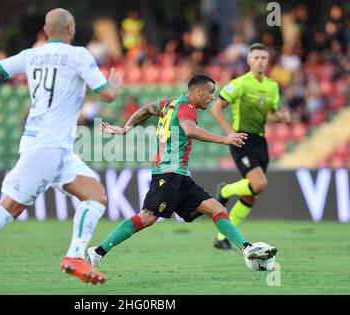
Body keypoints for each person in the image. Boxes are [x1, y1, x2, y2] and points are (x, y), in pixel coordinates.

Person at [0, 8, 123, 294]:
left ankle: (74, 256)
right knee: (11, 207)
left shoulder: (30, 55)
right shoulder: (80, 56)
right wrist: (114, 84)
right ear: (71, 29)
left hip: (58, 148)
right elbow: (107, 95)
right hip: (45, 147)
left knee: (96, 196)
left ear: (47, 31)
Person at [85, 74, 277, 269]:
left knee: (218, 210)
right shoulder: (187, 107)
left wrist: (126, 129)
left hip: (180, 176)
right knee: (147, 217)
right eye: (210, 93)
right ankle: (98, 252)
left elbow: (146, 109)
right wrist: (225, 139)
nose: (212, 97)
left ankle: (247, 249)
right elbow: (190, 130)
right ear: (198, 91)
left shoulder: (169, 103)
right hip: (168, 174)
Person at [210, 43, 291, 250]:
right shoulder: (239, 84)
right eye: (256, 58)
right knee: (259, 184)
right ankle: (226, 190)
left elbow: (271, 114)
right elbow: (216, 108)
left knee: (251, 195)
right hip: (242, 140)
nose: (260, 61)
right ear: (249, 61)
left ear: (268, 61)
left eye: (264, 58)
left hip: (260, 142)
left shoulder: (272, 86)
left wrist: (280, 117)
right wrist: (230, 133)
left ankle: (221, 238)